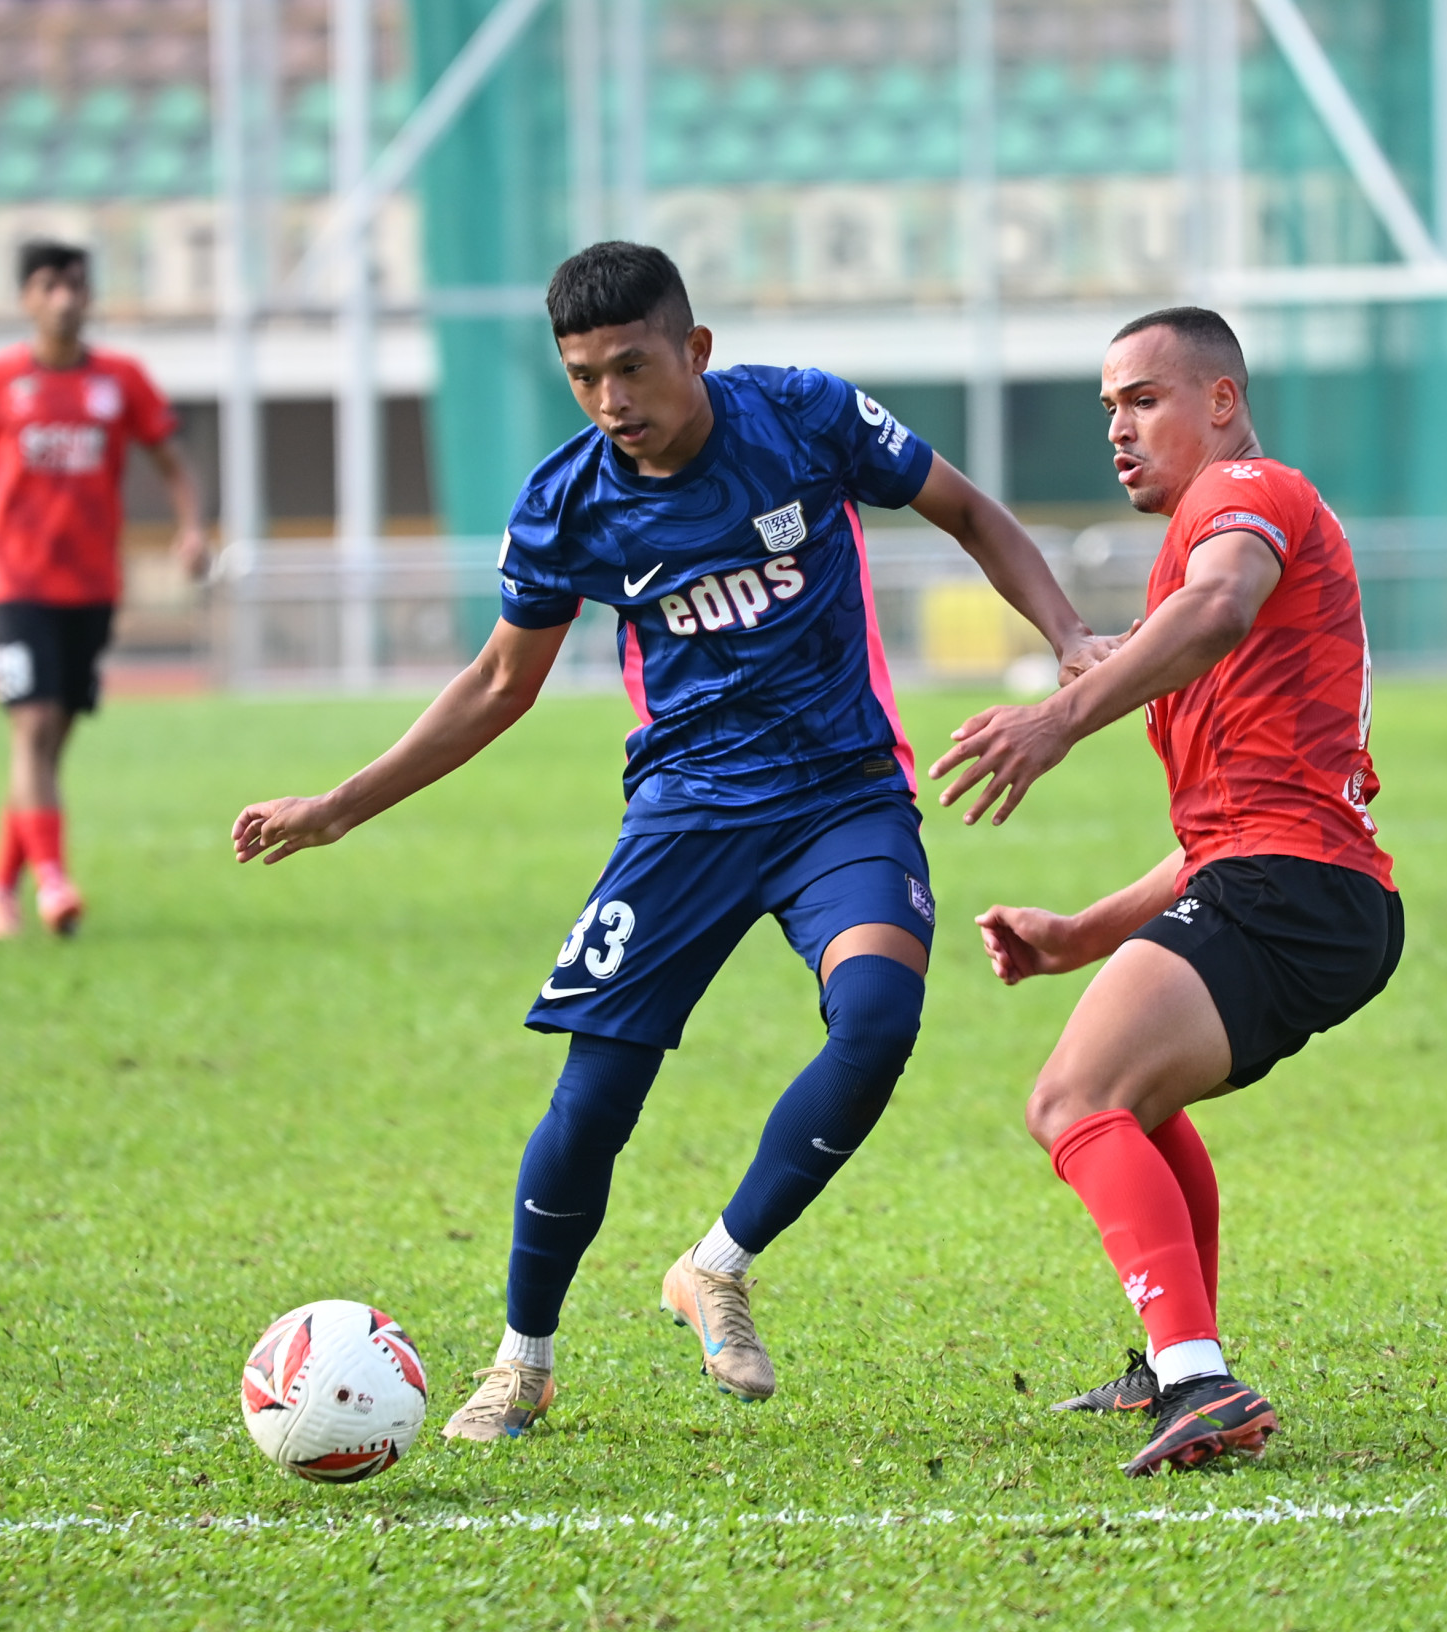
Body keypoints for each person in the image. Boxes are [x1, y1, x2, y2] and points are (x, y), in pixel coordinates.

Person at [231, 242, 1097, 1443]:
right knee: (595, 1097)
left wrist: (1066, 634)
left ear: (695, 349)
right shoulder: (566, 502)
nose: (611, 400)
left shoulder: (804, 416)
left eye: (632, 367)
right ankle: (522, 1360)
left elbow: (966, 509)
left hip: (841, 796)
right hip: (684, 816)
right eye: (583, 377)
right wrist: (339, 805)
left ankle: (716, 1265)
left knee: (878, 1018)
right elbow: (498, 684)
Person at [931, 307, 1403, 1477]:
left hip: (1295, 886)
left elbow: (1221, 603)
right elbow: (1216, 836)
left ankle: (1200, 1379)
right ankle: (1173, 1362)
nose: (1118, 429)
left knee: (1073, 1099)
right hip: (1295, 883)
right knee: (1124, 1101)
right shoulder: (1186, 558)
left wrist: (1057, 719)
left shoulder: (1246, 492)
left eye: (1144, 399)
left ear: (1222, 402)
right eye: (1109, 408)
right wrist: (1077, 935)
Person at [0, 239, 206, 940]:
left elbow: (174, 462)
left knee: (46, 747)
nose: (64, 298)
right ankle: (55, 881)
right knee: (32, 728)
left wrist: (191, 529)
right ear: (26, 298)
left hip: (91, 586)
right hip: (15, 584)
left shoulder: (122, 380)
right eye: (48, 285)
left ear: (89, 294)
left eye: (74, 284)